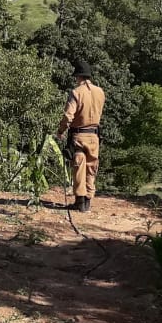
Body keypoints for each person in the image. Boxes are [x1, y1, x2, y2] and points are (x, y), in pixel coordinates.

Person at [56, 60, 106, 212]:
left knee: (79, 166)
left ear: (78, 77)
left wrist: (61, 130)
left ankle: (80, 201)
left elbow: (68, 116)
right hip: (94, 137)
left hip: (79, 135)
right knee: (92, 168)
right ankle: (88, 201)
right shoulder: (100, 92)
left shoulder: (76, 92)